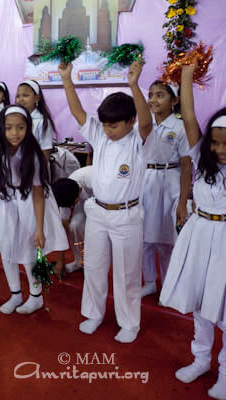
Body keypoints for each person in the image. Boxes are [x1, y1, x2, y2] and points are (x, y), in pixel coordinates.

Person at [59, 60, 153, 343]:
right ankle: (94, 313)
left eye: (115, 125)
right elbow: (78, 113)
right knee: (94, 267)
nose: (108, 130)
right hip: (98, 213)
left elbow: (147, 122)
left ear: (130, 121)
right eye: (105, 125)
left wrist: (134, 86)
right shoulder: (100, 135)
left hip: (126, 217)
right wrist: (66, 79)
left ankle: (129, 323)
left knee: (127, 273)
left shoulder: (139, 139)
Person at [159, 61, 226, 399]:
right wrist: (186, 77)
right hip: (200, 234)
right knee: (200, 302)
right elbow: (188, 117)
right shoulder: (203, 158)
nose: (220, 150)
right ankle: (200, 358)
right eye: (216, 143)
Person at [0, 105, 68, 315]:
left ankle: (36, 297)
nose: (15, 133)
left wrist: (40, 228)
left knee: (29, 253)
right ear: (2, 129)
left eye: (20, 127)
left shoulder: (33, 154)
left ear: (28, 128)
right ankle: (15, 294)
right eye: (9, 128)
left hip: (29, 205)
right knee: (7, 251)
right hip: (6, 204)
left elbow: (39, 193)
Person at [141, 80, 191, 297]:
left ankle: (169, 287)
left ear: (175, 100)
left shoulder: (180, 127)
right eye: (151, 94)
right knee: (144, 238)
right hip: (146, 180)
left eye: (160, 95)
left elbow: (187, 166)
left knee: (166, 239)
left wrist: (181, 202)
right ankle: (150, 281)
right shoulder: (143, 124)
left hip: (170, 180)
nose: (153, 99)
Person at [51, 166, 93, 274]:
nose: (71, 207)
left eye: (73, 204)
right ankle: (79, 262)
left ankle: (95, 263)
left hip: (105, 201)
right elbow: (63, 227)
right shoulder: (65, 191)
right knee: (74, 225)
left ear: (79, 193)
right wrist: (61, 261)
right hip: (86, 201)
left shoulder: (91, 179)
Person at [15, 80, 55, 160]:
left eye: (25, 95)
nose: (20, 99)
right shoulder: (14, 119)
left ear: (36, 98)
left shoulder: (42, 121)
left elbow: (45, 152)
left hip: (34, 167)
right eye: (18, 96)